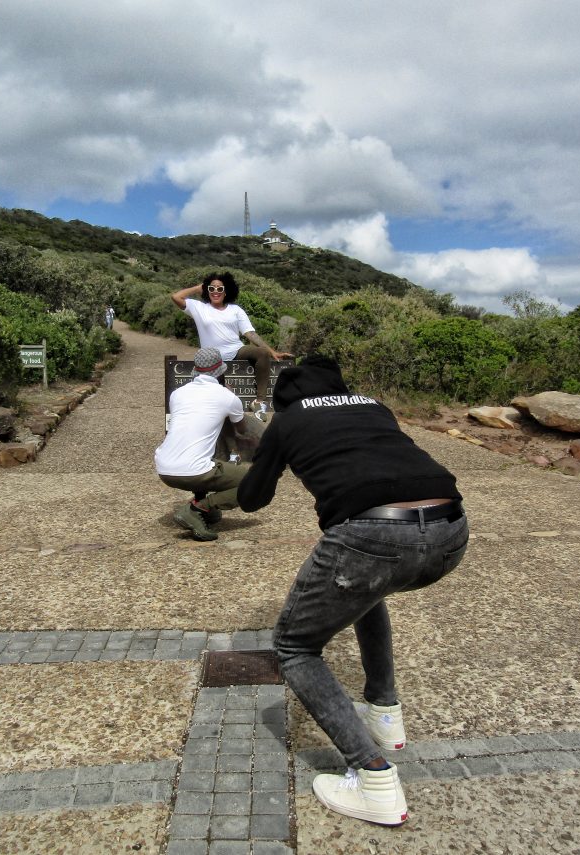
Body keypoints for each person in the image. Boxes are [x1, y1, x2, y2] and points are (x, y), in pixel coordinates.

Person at [237, 355, 468, 826]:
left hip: (372, 535)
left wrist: (257, 452)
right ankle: (385, 713)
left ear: (286, 396)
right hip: (452, 531)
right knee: (366, 590)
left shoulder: (287, 421)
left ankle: (374, 779)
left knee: (294, 647)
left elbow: (251, 499)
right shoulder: (374, 406)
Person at [155, 347, 258, 541]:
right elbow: (242, 430)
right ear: (221, 371)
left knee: (204, 449)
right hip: (193, 471)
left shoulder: (177, 394)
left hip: (164, 468)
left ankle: (205, 508)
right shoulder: (227, 397)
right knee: (255, 480)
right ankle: (197, 508)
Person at [170, 272, 291, 416]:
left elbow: (249, 333)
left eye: (220, 289)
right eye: (211, 288)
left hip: (236, 350)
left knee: (262, 353)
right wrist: (199, 287)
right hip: (212, 357)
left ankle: (259, 403)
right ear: (207, 290)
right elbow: (176, 297)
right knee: (218, 400)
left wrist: (271, 351)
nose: (215, 292)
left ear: (226, 291)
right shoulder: (199, 308)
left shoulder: (235, 310)